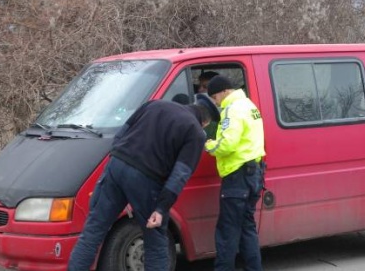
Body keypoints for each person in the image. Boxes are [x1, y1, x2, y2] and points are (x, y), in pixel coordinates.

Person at [68, 100, 211, 270]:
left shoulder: (154, 105)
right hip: (147, 179)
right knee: (156, 242)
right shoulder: (195, 132)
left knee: (93, 232)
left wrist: (117, 160)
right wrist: (161, 208)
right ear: (204, 122)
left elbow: (121, 134)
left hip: (116, 165)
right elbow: (180, 173)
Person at [204, 75, 266, 271]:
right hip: (254, 173)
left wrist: (208, 145)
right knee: (247, 228)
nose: (215, 102)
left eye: (214, 97)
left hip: (237, 176)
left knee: (227, 231)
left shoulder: (232, 109)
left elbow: (227, 144)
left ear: (223, 91)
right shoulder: (248, 105)